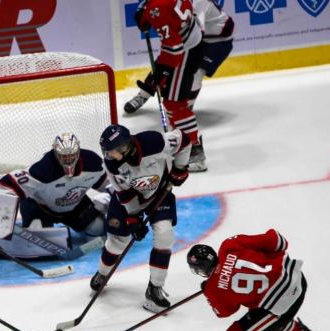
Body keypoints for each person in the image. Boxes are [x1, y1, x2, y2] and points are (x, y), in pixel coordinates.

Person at [186, 229, 324, 331]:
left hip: (284, 301)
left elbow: (225, 312)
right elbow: (278, 240)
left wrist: (208, 293)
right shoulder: (229, 245)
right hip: (296, 276)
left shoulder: (213, 288)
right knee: (260, 315)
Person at [90, 124, 191, 313]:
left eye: (111, 151)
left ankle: (154, 289)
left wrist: (180, 168)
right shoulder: (112, 164)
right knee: (117, 242)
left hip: (159, 193)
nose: (108, 156)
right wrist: (134, 218)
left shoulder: (154, 142)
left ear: (124, 147)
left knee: (164, 234)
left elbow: (184, 140)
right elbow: (124, 194)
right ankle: (102, 274)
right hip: (126, 201)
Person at [125, 0, 208, 172]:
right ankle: (181, 140)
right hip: (190, 41)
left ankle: (195, 152)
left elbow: (175, 49)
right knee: (170, 99)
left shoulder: (157, 8)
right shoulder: (156, 6)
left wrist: (163, 72)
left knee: (174, 104)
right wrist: (144, 10)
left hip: (184, 51)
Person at [0, 132, 109, 244]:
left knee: (98, 227)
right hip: (41, 208)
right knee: (37, 237)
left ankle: (93, 246)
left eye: (71, 155)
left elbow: (107, 184)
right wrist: (2, 224)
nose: (68, 160)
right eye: (63, 156)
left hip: (75, 206)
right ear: (56, 153)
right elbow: (6, 187)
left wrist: (112, 201)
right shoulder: (44, 169)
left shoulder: (92, 162)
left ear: (78, 151)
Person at [125, 0, 234, 115]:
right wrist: (144, 10)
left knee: (196, 73)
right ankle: (143, 95)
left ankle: (185, 109)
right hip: (194, 35)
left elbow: (198, 29)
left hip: (218, 41)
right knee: (164, 61)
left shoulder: (200, 2)